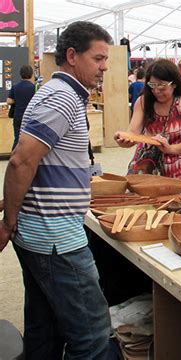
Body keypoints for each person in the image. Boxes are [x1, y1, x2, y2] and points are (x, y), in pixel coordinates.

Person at [0, 21, 112, 358]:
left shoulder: (57, 93)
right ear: (72, 56)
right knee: (92, 335)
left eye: (106, 59)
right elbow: (21, 161)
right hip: (55, 237)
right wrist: (9, 220)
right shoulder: (62, 97)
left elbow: (34, 163)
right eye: (98, 58)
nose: (105, 66)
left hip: (43, 232)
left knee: (44, 326)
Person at [115, 59, 181, 191]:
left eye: (161, 86)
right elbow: (133, 133)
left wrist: (170, 149)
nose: (156, 90)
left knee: (178, 204)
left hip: (178, 162)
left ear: (174, 84)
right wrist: (124, 139)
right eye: (152, 85)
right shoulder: (143, 101)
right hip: (147, 162)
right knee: (135, 199)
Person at [6, 64, 35, 149]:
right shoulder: (33, 87)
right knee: (29, 139)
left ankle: (13, 158)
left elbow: (8, 101)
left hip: (18, 116)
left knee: (17, 139)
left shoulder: (15, 86)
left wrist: (17, 100)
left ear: (20, 74)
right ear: (31, 74)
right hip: (30, 117)